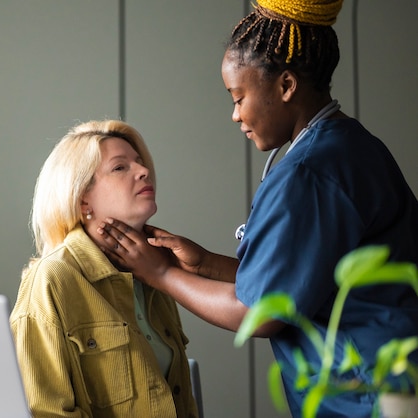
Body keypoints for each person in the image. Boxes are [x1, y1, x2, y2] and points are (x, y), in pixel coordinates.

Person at [94, 1, 418, 417]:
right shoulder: (350, 145)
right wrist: (205, 263)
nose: (235, 115)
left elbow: (262, 315)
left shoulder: (309, 172)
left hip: (368, 397)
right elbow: (306, 283)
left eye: (239, 97)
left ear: (285, 86)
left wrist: (160, 274)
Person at [9, 120, 198, 418]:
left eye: (139, 162)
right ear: (83, 197)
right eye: (120, 167)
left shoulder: (154, 276)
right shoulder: (52, 279)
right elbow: (45, 412)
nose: (144, 171)